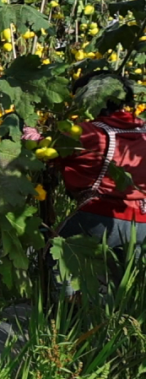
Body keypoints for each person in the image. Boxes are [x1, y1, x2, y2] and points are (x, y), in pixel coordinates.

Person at [51, 72, 146, 296]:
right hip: (141, 224)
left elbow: (48, 153)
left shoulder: (87, 133)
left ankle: (66, 314)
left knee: (65, 269)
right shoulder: (142, 132)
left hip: (96, 218)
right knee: (120, 288)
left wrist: (31, 136)